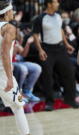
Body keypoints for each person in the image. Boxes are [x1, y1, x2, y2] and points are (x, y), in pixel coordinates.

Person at [33, 0, 79, 111]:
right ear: (49, 4)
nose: (58, 4)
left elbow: (61, 30)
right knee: (47, 77)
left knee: (69, 72)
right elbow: (35, 35)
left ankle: (70, 99)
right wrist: (40, 50)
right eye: (55, 2)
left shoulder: (59, 16)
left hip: (60, 49)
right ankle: (49, 102)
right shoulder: (40, 18)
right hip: (47, 49)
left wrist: (66, 44)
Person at [0, 0, 30, 135]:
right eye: (12, 10)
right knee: (18, 106)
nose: (14, 13)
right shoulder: (9, 28)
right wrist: (10, 78)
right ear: (7, 12)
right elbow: (4, 54)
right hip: (2, 74)